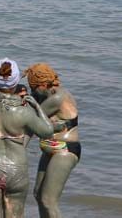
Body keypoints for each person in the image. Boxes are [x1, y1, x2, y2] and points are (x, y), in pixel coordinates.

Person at [0, 58, 53, 218]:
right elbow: (48, 131)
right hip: (16, 169)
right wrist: (37, 107)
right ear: (16, 81)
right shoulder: (24, 111)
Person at [24, 64, 80, 218]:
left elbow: (32, 120)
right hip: (52, 150)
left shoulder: (57, 98)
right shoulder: (50, 95)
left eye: (34, 88)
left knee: (49, 200)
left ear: (42, 84)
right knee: (38, 194)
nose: (32, 91)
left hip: (65, 150)